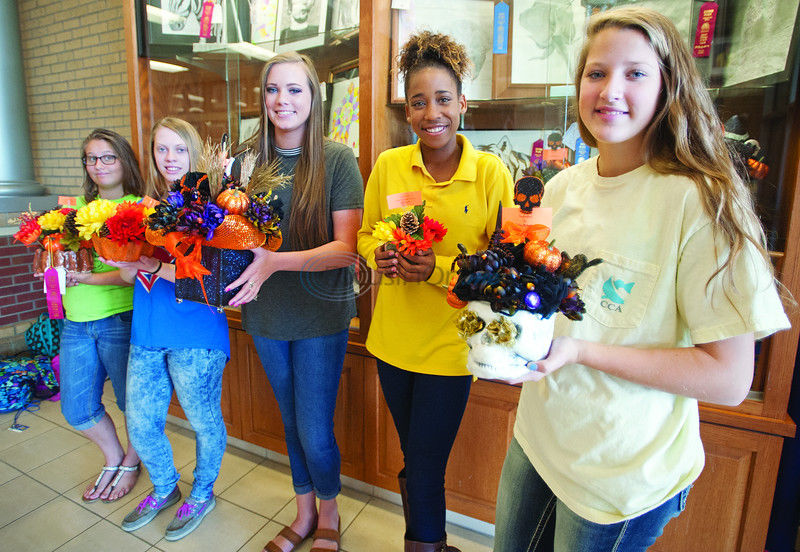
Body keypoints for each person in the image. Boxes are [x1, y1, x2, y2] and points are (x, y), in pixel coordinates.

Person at [492, 7, 791, 552]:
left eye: (635, 73)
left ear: (668, 86)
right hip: (538, 439)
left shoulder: (703, 202)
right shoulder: (562, 189)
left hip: (621, 475)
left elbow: (727, 378)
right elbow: (550, 304)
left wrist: (581, 352)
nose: (610, 90)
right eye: (596, 72)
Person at [356, 31, 514, 552]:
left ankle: (422, 545)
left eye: (443, 99)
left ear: (463, 104)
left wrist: (440, 270)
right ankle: (431, 543)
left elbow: (507, 264)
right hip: (393, 343)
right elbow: (366, 231)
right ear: (406, 111)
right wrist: (375, 255)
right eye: (418, 102)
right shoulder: (389, 166)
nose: (432, 113)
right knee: (416, 457)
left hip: (454, 345)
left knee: (424, 461)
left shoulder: (491, 174)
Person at [226, 51, 363, 552]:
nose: (281, 101)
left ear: (313, 97)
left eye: (294, 90)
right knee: (289, 420)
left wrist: (274, 262)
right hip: (263, 311)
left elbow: (345, 251)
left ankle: (330, 511)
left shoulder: (337, 159)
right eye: (272, 90)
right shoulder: (245, 164)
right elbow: (233, 236)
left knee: (314, 426)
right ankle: (303, 512)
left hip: (320, 312)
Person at [109, 117, 230, 541]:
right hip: (147, 330)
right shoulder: (144, 206)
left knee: (202, 420)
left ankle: (202, 492)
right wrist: (123, 262)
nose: (170, 158)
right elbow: (131, 278)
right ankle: (163, 487)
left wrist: (150, 265)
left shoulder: (216, 204)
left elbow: (213, 278)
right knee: (140, 422)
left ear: (194, 152)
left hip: (197, 334)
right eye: (162, 149)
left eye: (179, 149)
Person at [59, 129, 145, 503]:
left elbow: (140, 272)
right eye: (91, 158)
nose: (98, 166)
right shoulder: (69, 210)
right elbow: (61, 260)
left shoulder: (141, 208)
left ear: (125, 160)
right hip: (75, 319)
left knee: (132, 404)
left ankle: (130, 460)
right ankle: (112, 455)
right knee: (76, 407)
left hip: (122, 317)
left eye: (107, 157)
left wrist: (88, 277)